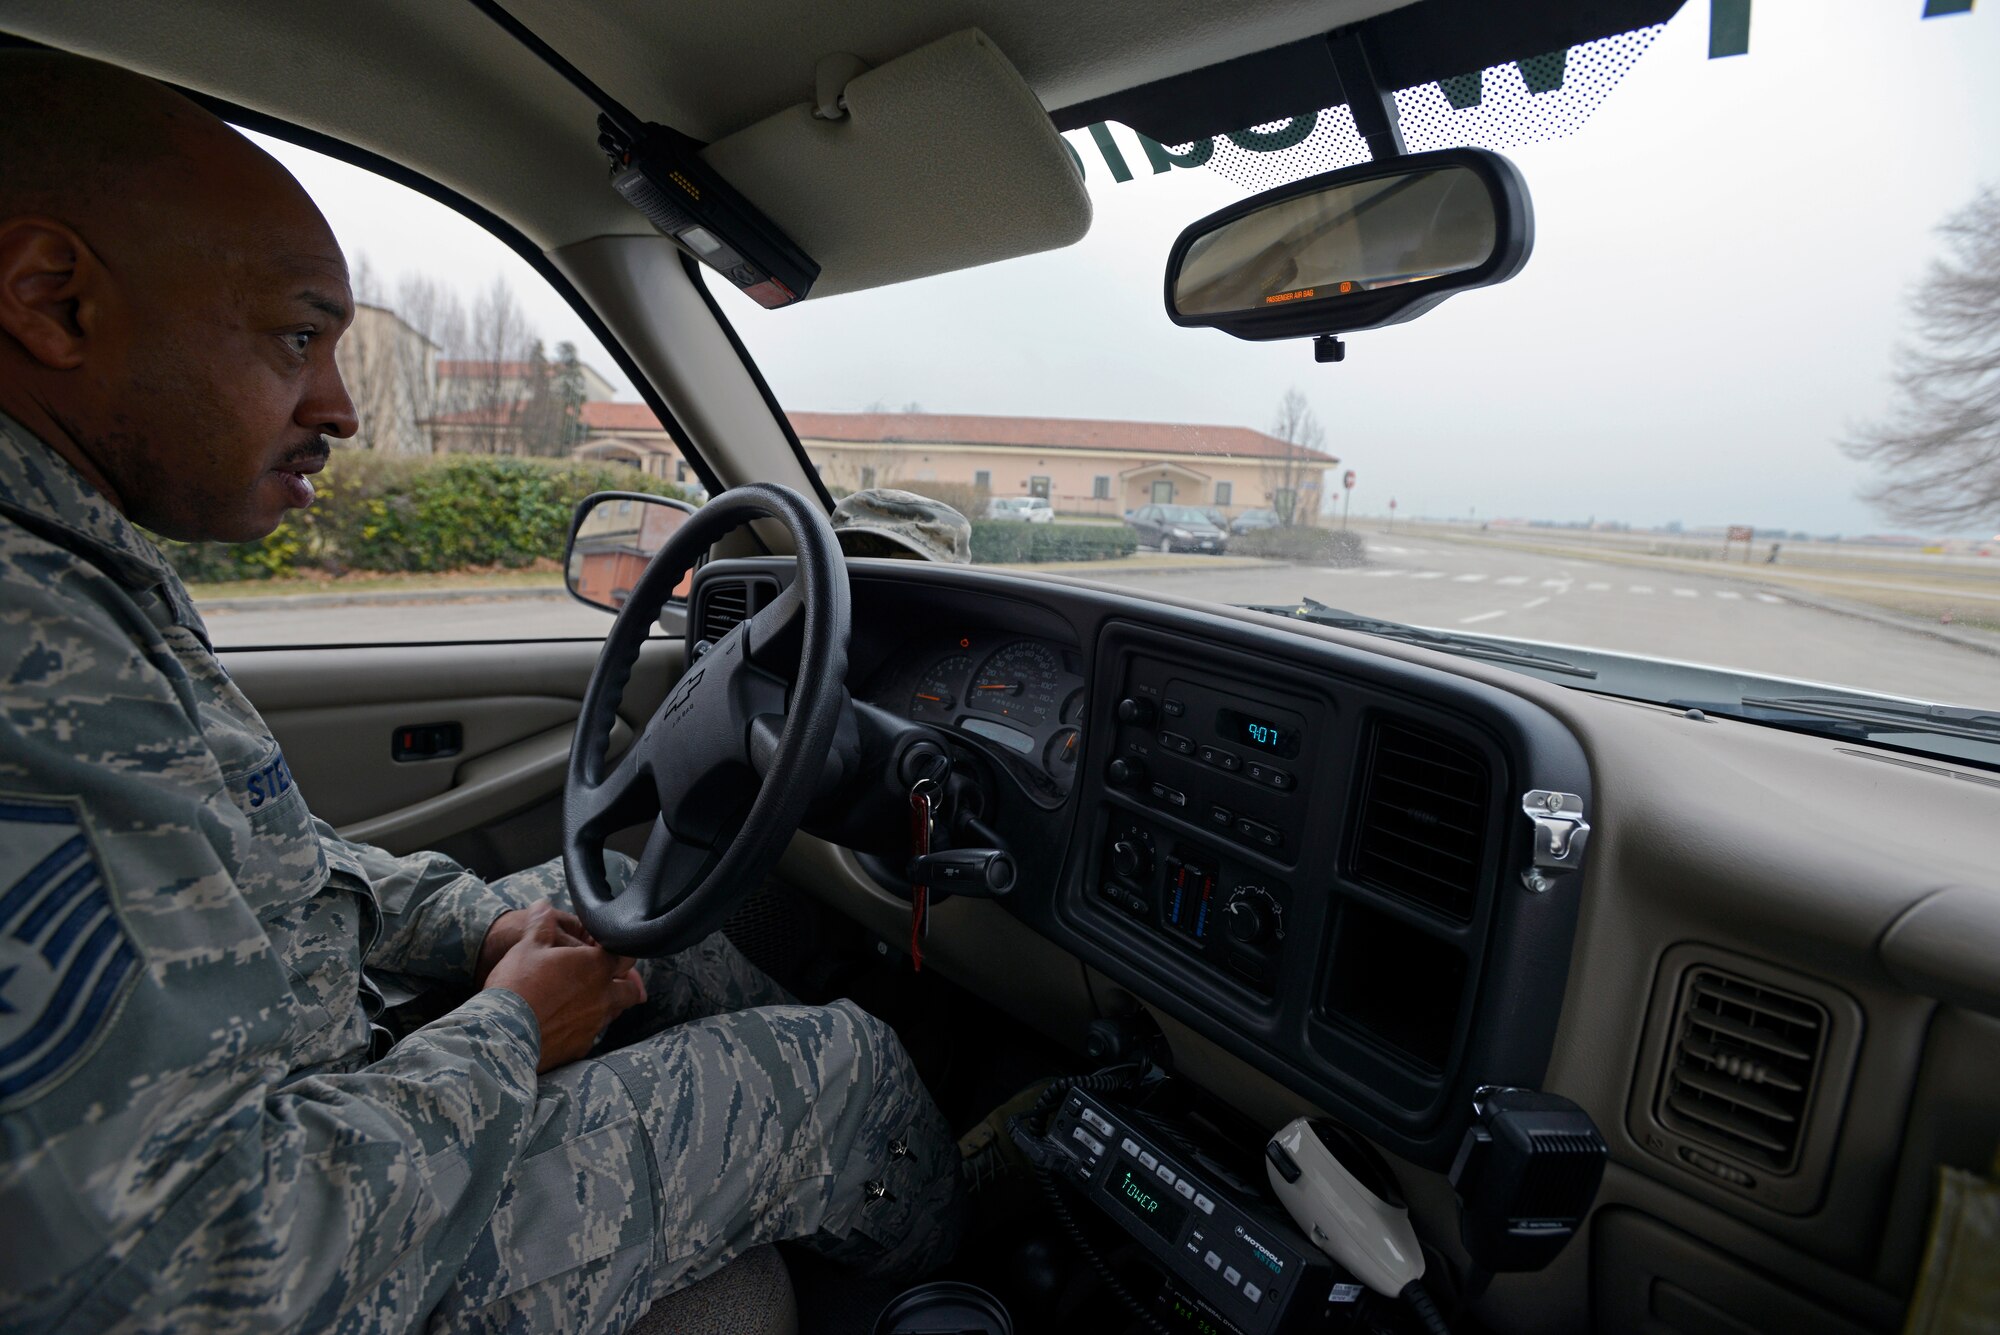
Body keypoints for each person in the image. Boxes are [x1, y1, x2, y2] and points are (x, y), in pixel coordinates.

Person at [0, 51, 961, 1333]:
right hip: (285, 1262)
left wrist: (479, 936)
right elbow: (192, 1274)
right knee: (838, 1069)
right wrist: (507, 1036)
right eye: (296, 335)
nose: (339, 407)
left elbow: (274, 875)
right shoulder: (29, 640)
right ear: (52, 301)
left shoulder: (69, 562)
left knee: (618, 921)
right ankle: (984, 1260)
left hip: (286, 1088)